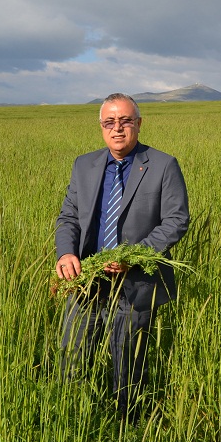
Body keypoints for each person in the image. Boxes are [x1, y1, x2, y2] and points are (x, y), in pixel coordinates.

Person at [55, 93, 189, 422]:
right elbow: (68, 217)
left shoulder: (163, 164)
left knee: (127, 366)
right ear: (101, 127)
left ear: (139, 124)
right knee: (71, 358)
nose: (118, 129)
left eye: (126, 121)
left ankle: (126, 430)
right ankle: (71, 424)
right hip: (86, 280)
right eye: (109, 122)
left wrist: (134, 256)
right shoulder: (83, 164)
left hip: (135, 283)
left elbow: (177, 219)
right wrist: (66, 253)